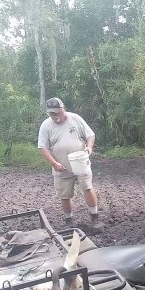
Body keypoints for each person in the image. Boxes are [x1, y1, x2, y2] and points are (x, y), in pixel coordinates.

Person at [37, 97, 101, 233]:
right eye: (51, 113)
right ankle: (69, 221)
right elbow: (42, 147)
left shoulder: (75, 119)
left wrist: (89, 147)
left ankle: (94, 217)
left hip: (80, 163)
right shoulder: (46, 125)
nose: (54, 116)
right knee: (64, 195)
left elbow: (90, 135)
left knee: (88, 188)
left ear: (62, 109)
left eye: (56, 112)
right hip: (61, 166)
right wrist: (54, 163)